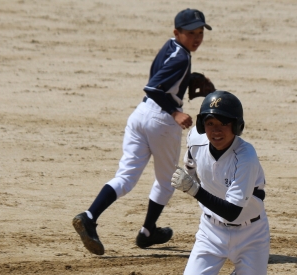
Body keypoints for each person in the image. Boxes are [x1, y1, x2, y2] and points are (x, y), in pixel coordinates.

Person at [72, 9, 211, 255]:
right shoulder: (182, 58)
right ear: (177, 32)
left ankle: (89, 217)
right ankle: (147, 232)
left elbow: (160, 78)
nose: (197, 38)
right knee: (167, 181)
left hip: (140, 115)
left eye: (200, 33)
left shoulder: (171, 46)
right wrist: (175, 112)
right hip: (162, 121)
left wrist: (186, 80)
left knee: (125, 177)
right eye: (191, 33)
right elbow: (153, 87)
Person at [171, 91, 270, 275]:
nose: (216, 130)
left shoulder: (245, 157)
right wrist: (193, 182)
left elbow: (233, 212)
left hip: (251, 234)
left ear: (236, 126)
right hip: (211, 231)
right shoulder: (196, 140)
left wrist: (194, 190)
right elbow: (192, 166)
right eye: (210, 123)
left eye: (223, 124)